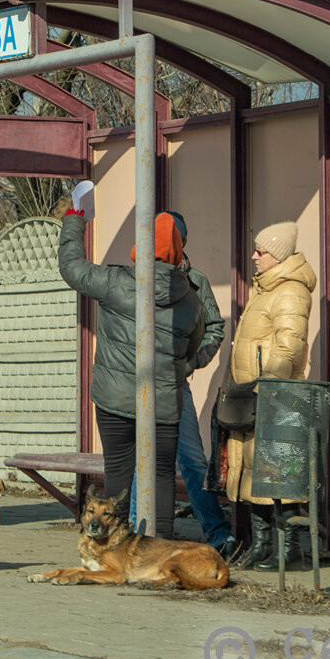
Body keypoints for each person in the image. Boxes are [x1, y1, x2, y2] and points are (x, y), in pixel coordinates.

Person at [57, 208, 204, 539]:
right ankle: (159, 552)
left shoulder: (115, 282)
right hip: (164, 403)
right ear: (178, 250)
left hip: (115, 400)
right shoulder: (191, 299)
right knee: (162, 476)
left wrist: (74, 219)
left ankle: (113, 548)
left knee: (118, 474)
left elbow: (71, 268)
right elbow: (193, 347)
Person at [127, 211, 237, 560]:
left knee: (191, 458)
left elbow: (215, 327)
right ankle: (134, 536)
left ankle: (217, 534)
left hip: (175, 383)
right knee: (140, 456)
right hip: (140, 382)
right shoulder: (135, 277)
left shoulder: (196, 281)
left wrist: (192, 362)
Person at [221, 220, 316, 570]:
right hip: (252, 396)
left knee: (278, 474)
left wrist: (269, 388)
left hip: (274, 398)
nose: (254, 256)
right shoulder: (265, 288)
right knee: (253, 472)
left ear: (277, 255)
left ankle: (290, 550)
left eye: (261, 251)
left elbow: (290, 346)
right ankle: (262, 545)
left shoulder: (289, 291)